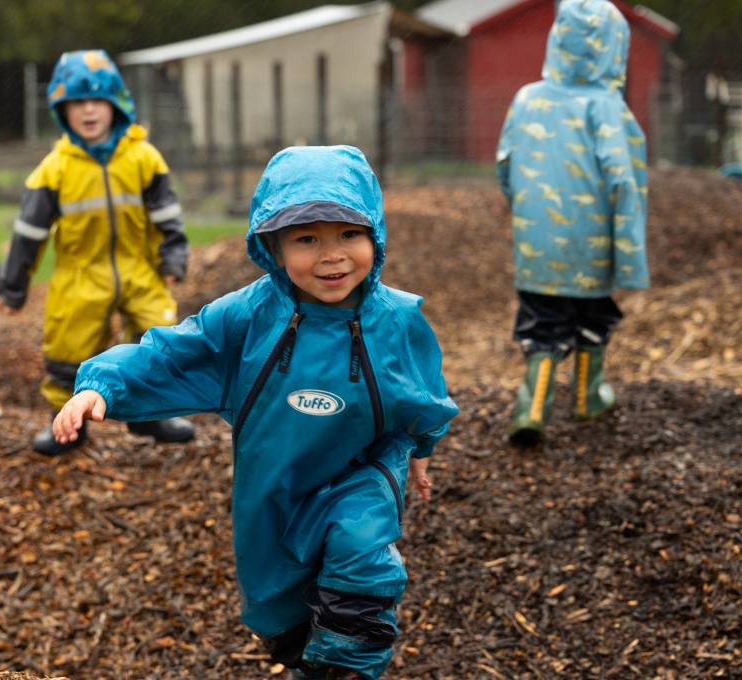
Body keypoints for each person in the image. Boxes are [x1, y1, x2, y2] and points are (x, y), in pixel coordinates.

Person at [52, 146, 458, 679]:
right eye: (307, 239)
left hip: (363, 471)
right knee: (277, 609)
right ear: (273, 245)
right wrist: (102, 385)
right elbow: (174, 350)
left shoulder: (396, 319)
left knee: (360, 554)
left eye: (349, 235)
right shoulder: (250, 316)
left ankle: (345, 670)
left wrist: (421, 451)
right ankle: (301, 656)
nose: (332, 256)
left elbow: (424, 391)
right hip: (275, 483)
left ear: (374, 237)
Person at [0, 49, 194, 454]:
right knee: (68, 349)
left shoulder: (144, 158)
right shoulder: (54, 169)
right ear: (61, 110)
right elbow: (28, 233)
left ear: (116, 105)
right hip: (80, 274)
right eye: (76, 103)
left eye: (97, 101)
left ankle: (150, 415)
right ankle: (66, 423)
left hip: (138, 269)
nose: (88, 111)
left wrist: (172, 258)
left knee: (158, 337)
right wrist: (14, 286)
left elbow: (168, 216)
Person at [495, 0, 649, 446]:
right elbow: (623, 180)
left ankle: (531, 407)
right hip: (592, 244)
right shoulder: (607, 107)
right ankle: (587, 398)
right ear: (614, 49)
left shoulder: (526, 98)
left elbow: (505, 165)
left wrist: (524, 210)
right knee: (592, 315)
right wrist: (629, 251)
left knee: (542, 321)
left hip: (536, 244)